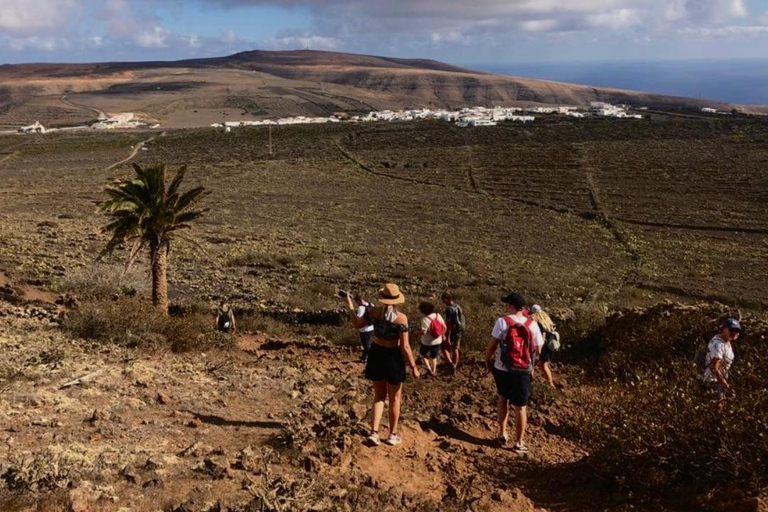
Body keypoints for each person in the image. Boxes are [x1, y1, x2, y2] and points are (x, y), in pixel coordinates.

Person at [345, 283, 420, 446]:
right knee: (395, 398)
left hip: (376, 352)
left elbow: (357, 324)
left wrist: (349, 304)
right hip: (393, 356)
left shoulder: (373, 312)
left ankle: (374, 433)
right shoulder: (401, 318)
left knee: (379, 395)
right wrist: (413, 366)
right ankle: (392, 435)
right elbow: (405, 346)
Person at [485, 292, 543, 453]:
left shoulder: (502, 322)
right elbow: (538, 348)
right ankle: (519, 442)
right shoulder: (532, 324)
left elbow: (492, 345)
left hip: (502, 368)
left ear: (511, 305)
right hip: (523, 370)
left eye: (507, 304)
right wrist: (531, 365)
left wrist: (487, 359)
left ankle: (503, 433)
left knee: (503, 398)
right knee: (521, 407)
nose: (505, 306)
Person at [703, 318, 741, 400]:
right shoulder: (718, 344)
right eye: (731, 330)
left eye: (737, 331)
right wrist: (725, 385)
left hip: (719, 381)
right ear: (723, 329)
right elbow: (714, 368)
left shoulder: (726, 342)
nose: (734, 333)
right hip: (712, 381)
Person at [530, 304, 556, 387]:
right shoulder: (546, 320)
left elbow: (542, 337)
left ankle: (530, 384)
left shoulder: (538, 322)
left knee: (531, 366)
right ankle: (550, 383)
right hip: (548, 348)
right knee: (543, 365)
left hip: (542, 348)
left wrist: (538, 352)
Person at [417, 301, 446, 376]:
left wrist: (418, 333)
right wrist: (443, 335)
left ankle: (429, 369)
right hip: (438, 340)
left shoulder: (425, 319)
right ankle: (434, 371)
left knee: (423, 354)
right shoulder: (438, 315)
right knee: (433, 357)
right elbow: (444, 327)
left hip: (426, 342)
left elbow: (424, 332)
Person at [441, 292, 465, 372]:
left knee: (444, 347)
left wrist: (447, 336)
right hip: (459, 330)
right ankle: (455, 365)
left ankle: (451, 364)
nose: (443, 302)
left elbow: (449, 324)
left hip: (452, 331)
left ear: (446, 299)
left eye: (443, 300)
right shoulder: (458, 306)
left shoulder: (449, 309)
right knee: (455, 348)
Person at [354, 294, 375, 361]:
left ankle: (373, 357)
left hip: (364, 329)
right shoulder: (371, 304)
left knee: (365, 345)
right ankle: (364, 357)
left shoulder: (361, 308)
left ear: (358, 301)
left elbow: (359, 318)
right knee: (368, 342)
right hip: (371, 327)